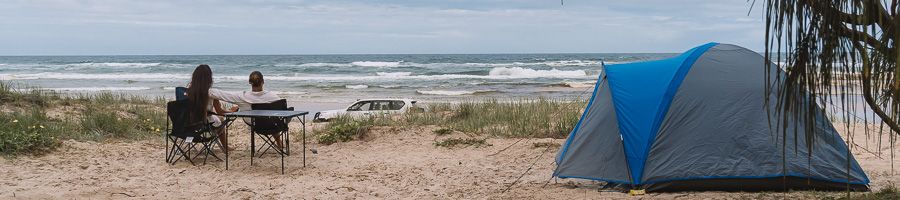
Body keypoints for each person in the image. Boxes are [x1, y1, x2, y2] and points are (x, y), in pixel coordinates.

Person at [209, 71, 284, 149]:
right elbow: (282, 111)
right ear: (263, 81)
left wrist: (202, 88)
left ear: (249, 82)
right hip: (273, 124)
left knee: (266, 119)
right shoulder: (273, 96)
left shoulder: (243, 96)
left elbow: (220, 94)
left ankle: (278, 141)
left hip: (254, 123)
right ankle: (279, 142)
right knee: (270, 118)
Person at [186, 64, 235, 153]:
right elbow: (220, 111)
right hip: (204, 124)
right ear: (209, 78)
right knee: (220, 118)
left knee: (216, 118)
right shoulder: (211, 93)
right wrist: (231, 111)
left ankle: (225, 146)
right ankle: (225, 146)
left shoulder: (188, 92)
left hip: (189, 123)